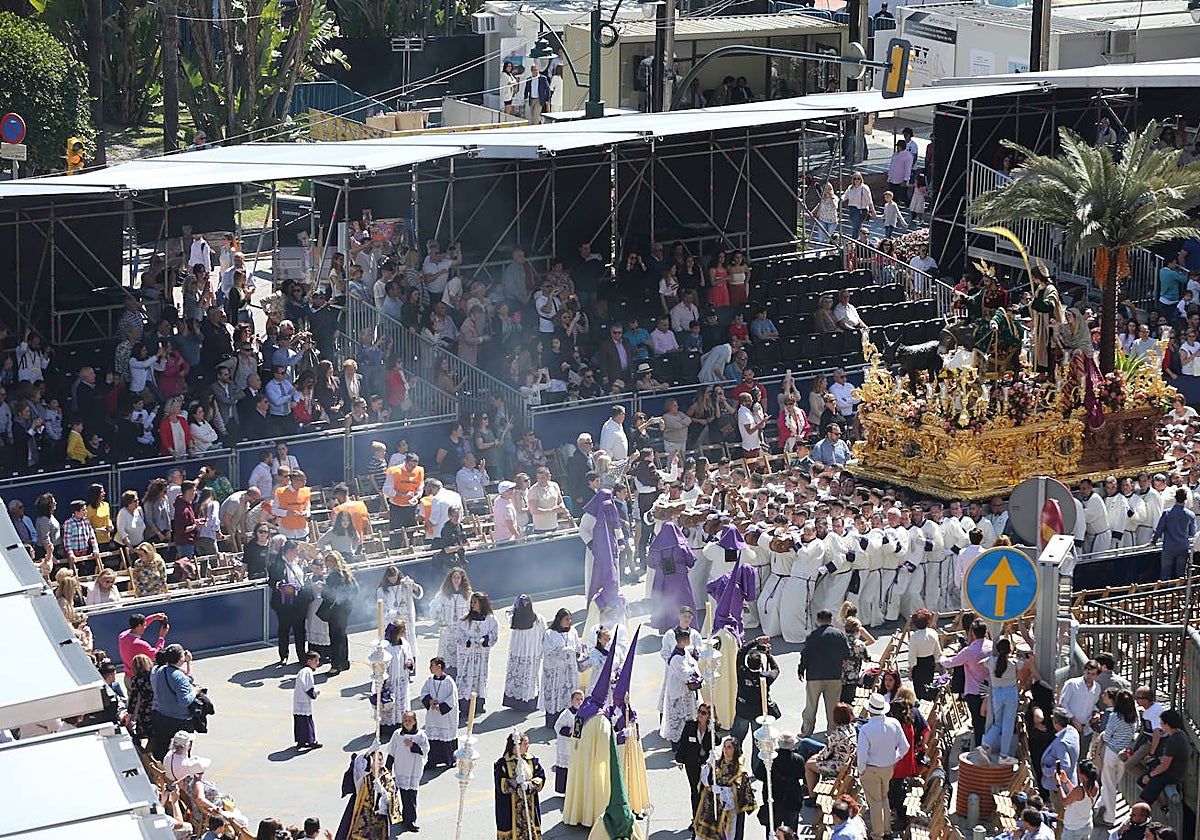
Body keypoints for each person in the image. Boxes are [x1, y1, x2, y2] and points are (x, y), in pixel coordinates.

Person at [857, 693, 910, 840]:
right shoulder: (894, 723)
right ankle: (887, 830)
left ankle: (877, 835)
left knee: (875, 803)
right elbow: (905, 746)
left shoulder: (866, 729)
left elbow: (862, 754)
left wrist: (861, 770)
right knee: (884, 798)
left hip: (871, 769)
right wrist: (895, 758)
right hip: (888, 768)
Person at [798, 609, 851, 737]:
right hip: (834, 675)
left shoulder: (812, 636)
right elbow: (847, 654)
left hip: (814, 676)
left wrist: (801, 669)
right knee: (833, 708)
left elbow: (805, 655)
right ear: (831, 619)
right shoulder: (839, 635)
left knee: (811, 706)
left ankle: (806, 732)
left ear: (818, 620)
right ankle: (832, 734)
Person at [693, 735, 757, 840]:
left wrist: (723, 791)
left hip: (729, 811)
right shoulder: (717, 764)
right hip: (712, 807)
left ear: (735, 750)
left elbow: (741, 792)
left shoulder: (739, 770)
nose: (725, 750)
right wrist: (709, 766)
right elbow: (705, 781)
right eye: (724, 747)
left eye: (729, 747)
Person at [150, 643, 200, 760]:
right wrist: (195, 692)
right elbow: (184, 701)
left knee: (162, 749)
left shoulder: (160, 670)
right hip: (180, 720)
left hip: (162, 716)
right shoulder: (179, 677)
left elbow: (187, 679)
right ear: (181, 658)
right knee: (181, 752)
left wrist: (188, 663)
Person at [495, 730, 547, 840]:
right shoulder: (502, 763)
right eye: (525, 744)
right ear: (516, 746)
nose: (528, 746)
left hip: (529, 806)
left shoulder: (532, 760)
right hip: (510, 809)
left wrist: (529, 785)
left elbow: (541, 777)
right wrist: (516, 784)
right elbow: (500, 785)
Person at [268, 539, 312, 666]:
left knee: (300, 630)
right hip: (284, 602)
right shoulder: (277, 564)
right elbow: (271, 581)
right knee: (284, 629)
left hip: (298, 601)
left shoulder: (299, 563)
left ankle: (301, 655)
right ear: (289, 551)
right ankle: (284, 655)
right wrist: (279, 585)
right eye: (296, 550)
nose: (298, 552)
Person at [804, 703, 857, 806]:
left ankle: (812, 797)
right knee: (813, 760)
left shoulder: (838, 732)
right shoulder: (851, 729)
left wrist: (818, 757)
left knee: (809, 765)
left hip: (838, 767)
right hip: (845, 764)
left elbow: (826, 752)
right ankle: (813, 790)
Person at [456, 591, 499, 715]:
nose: (472, 604)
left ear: (482, 603)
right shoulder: (464, 619)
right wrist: (469, 641)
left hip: (482, 656)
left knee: (481, 678)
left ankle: (479, 705)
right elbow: (459, 635)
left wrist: (484, 640)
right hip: (468, 656)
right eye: (471, 602)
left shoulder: (491, 619)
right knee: (465, 679)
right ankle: (465, 707)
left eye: (474, 602)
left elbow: (494, 634)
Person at [754, 730, 805, 833]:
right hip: (792, 799)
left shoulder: (769, 758)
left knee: (772, 831)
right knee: (791, 832)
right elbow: (801, 775)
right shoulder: (798, 759)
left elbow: (759, 774)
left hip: (772, 798)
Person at [384, 710, 427, 833]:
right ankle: (405, 817)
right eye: (405, 720)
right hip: (402, 769)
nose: (407, 723)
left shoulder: (421, 735)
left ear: (414, 722)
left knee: (412, 796)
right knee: (404, 795)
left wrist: (413, 745)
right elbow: (392, 751)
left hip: (414, 770)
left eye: (409, 720)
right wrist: (388, 766)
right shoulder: (397, 734)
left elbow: (425, 750)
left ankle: (411, 820)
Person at [540, 607, 582, 729]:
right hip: (556, 671)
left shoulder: (573, 631)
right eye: (566, 619)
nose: (569, 622)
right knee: (555, 695)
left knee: (568, 694)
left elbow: (577, 646)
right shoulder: (550, 634)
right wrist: (566, 651)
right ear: (559, 620)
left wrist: (578, 652)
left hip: (569, 671)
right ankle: (553, 721)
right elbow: (549, 652)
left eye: (570, 619)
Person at [675, 703, 717, 826]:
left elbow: (717, 742)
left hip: (705, 765)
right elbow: (683, 743)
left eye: (703, 713)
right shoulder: (690, 726)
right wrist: (679, 759)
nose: (700, 715)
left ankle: (706, 818)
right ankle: (696, 819)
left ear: (709, 716)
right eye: (699, 711)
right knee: (694, 790)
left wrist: (713, 730)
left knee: (705, 791)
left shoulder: (712, 728)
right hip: (691, 764)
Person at [981, 637, 1019, 763]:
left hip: (997, 693)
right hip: (1011, 693)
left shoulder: (991, 661)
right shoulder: (1014, 663)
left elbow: (980, 663)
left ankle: (985, 745)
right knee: (1008, 724)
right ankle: (1004, 755)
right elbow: (1028, 665)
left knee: (997, 723)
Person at [1138, 708, 1188, 804]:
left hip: (1170, 774)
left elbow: (1165, 766)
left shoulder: (1173, 741)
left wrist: (1150, 776)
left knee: (1144, 790)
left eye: (1161, 722)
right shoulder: (1181, 734)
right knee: (1140, 781)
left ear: (1167, 724)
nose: (1160, 724)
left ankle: (1146, 805)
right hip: (1172, 769)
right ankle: (1161, 806)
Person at [502, 595, 544, 711]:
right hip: (532, 654)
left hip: (518, 653)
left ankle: (515, 702)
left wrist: (515, 607)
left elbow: (507, 611)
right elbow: (544, 635)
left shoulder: (514, 619)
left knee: (516, 678)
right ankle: (530, 703)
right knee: (530, 678)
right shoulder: (539, 619)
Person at [420, 657, 460, 769]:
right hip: (433, 716)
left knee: (446, 738)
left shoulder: (449, 681)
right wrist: (430, 701)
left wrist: (441, 707)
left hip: (446, 717)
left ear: (439, 666)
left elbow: (452, 698)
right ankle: (432, 761)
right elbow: (424, 692)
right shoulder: (429, 680)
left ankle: (450, 760)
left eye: (431, 666)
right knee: (433, 738)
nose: (429, 668)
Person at [1150, 487, 1197, 579]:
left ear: (1175, 498)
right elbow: (1192, 532)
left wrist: (1153, 541)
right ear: (1186, 499)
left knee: (1165, 574)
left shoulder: (1167, 513)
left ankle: (1165, 587)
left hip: (1168, 547)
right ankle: (1180, 588)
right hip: (1183, 547)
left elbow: (1159, 529)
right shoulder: (1190, 515)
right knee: (1181, 575)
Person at [1040, 708, 1081, 800]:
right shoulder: (1072, 731)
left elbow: (1064, 765)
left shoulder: (1061, 743)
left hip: (1060, 787)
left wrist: (1047, 771)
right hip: (1070, 781)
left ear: (1055, 723)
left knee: (1060, 808)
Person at [293, 650, 323, 750]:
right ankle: (311, 741)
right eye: (316, 661)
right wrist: (315, 694)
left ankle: (301, 741)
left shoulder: (302, 671)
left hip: (298, 700)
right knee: (307, 722)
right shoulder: (308, 672)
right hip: (303, 701)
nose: (317, 663)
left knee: (299, 721)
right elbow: (308, 687)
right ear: (309, 661)